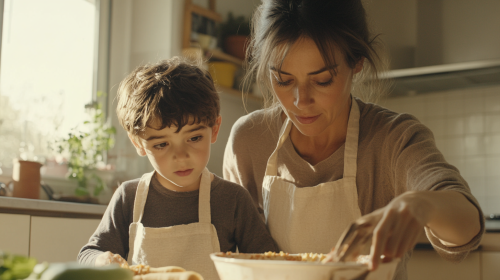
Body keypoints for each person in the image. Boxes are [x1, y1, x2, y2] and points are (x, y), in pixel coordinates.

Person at [223, 1, 484, 279]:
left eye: (322, 80)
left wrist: (423, 205)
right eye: (283, 80)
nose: (300, 101)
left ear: (357, 61)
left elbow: (467, 225)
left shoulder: (393, 139)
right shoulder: (248, 141)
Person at [78, 57, 278, 280]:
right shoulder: (129, 198)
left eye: (194, 138)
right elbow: (88, 253)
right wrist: (102, 260)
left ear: (214, 129)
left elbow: (269, 265)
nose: (181, 156)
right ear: (138, 143)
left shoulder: (232, 200)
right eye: (161, 144)